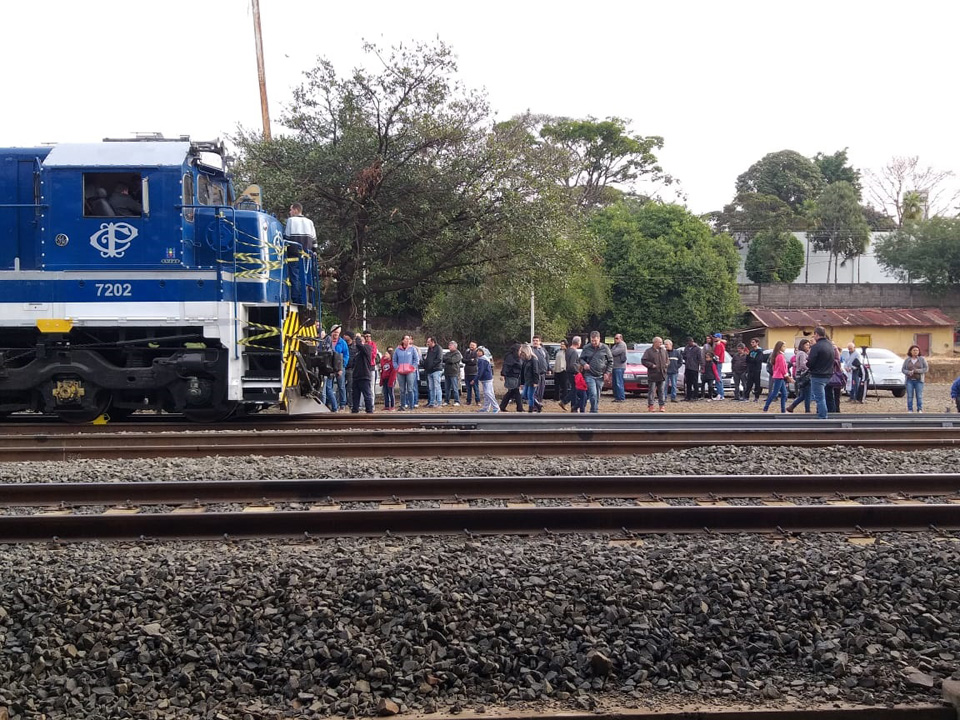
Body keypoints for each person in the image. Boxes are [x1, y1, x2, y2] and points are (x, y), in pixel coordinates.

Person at [284, 203, 317, 305]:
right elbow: (315, 241)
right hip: (307, 256)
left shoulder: (291, 221)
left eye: (291, 210)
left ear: (296, 210)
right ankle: (308, 299)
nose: (289, 212)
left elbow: (286, 238)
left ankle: (296, 299)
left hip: (294, 255)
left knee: (295, 277)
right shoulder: (310, 222)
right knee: (306, 277)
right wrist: (314, 252)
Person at [579, 331, 613, 413]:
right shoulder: (586, 348)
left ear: (599, 339)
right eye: (592, 341)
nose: (594, 343)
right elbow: (580, 359)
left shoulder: (605, 348)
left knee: (597, 395)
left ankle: (594, 410)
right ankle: (594, 412)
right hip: (589, 375)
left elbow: (610, 361)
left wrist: (607, 372)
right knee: (593, 394)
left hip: (600, 375)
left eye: (595, 341)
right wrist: (584, 364)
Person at [807, 327, 835, 419]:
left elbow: (811, 362)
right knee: (825, 397)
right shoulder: (830, 345)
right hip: (828, 374)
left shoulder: (816, 347)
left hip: (818, 375)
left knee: (820, 398)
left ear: (816, 334)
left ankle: (823, 417)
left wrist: (808, 364)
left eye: (814, 334)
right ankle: (823, 414)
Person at [323, 325, 349, 412]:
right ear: (331, 332)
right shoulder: (327, 340)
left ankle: (342, 404)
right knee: (328, 387)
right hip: (329, 367)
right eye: (334, 332)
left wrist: (341, 367)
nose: (335, 334)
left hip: (340, 367)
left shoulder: (342, 343)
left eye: (337, 332)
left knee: (341, 386)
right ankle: (332, 404)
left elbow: (346, 355)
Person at [392, 336, 421, 411]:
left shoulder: (412, 349)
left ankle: (411, 406)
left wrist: (413, 367)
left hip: (410, 372)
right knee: (402, 390)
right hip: (400, 372)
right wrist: (397, 368)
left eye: (409, 339)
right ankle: (402, 405)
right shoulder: (397, 349)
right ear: (402, 340)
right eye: (406, 339)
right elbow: (394, 360)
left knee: (410, 389)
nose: (408, 340)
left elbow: (416, 359)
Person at [642, 336, 669, 412]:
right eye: (659, 342)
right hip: (653, 374)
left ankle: (662, 405)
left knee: (661, 391)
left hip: (662, 374)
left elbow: (667, 359)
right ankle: (651, 405)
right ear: (654, 342)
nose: (661, 343)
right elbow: (644, 361)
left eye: (661, 342)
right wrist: (651, 365)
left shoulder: (663, 351)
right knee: (652, 391)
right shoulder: (648, 351)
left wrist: (666, 364)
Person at [350, 333, 374, 413]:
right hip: (356, 376)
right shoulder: (356, 352)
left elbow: (360, 346)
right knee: (355, 395)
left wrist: (357, 338)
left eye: (360, 340)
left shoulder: (367, 348)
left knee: (367, 394)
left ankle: (369, 410)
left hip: (364, 375)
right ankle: (355, 410)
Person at [762, 340, 789, 413]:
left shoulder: (777, 355)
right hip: (779, 376)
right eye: (783, 346)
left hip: (779, 376)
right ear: (779, 347)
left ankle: (783, 409)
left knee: (784, 393)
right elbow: (782, 367)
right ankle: (766, 407)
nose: (785, 348)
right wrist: (787, 376)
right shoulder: (780, 356)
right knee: (775, 393)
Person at [786, 339, 811, 414]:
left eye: (808, 345)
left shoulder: (800, 353)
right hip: (804, 375)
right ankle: (807, 410)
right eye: (806, 345)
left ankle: (792, 407)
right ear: (802, 345)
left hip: (800, 375)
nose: (808, 346)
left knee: (803, 394)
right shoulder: (802, 353)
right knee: (807, 393)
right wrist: (809, 368)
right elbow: (803, 364)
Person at [902, 344, 928, 413]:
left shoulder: (922, 359)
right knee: (910, 396)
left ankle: (919, 409)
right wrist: (908, 372)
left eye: (917, 350)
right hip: (909, 380)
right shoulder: (907, 360)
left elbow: (926, 369)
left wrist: (917, 371)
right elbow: (903, 369)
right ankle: (910, 409)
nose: (915, 352)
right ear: (910, 351)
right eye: (914, 350)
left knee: (919, 395)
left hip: (919, 380)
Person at [499, 342, 524, 412]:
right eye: (520, 349)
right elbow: (506, 366)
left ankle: (502, 406)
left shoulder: (518, 357)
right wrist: (503, 374)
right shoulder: (510, 357)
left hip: (516, 377)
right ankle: (520, 408)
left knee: (511, 392)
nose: (521, 351)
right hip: (511, 376)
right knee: (516, 392)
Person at [421, 337, 443, 408]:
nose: (427, 343)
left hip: (436, 370)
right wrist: (425, 365)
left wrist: (431, 365)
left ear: (433, 341)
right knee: (431, 387)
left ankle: (439, 402)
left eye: (428, 342)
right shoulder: (429, 349)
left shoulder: (438, 348)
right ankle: (432, 402)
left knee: (437, 386)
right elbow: (427, 359)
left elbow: (439, 359)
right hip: (429, 371)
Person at [561, 336, 581, 411]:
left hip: (568, 372)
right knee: (575, 389)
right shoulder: (574, 352)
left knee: (574, 389)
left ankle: (573, 406)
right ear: (578, 343)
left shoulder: (568, 350)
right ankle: (564, 401)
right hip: (573, 372)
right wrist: (578, 371)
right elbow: (573, 364)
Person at [476, 348, 499, 413]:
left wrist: (476, 379)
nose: (478, 352)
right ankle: (486, 408)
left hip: (486, 378)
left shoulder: (482, 360)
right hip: (486, 378)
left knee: (488, 393)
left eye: (480, 351)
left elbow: (481, 371)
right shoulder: (484, 359)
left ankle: (496, 406)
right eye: (477, 351)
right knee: (486, 394)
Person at [520, 343, 540, 413]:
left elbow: (536, 371)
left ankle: (530, 409)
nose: (522, 354)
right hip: (527, 380)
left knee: (530, 396)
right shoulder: (525, 360)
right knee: (524, 395)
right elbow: (522, 372)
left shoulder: (534, 360)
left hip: (532, 380)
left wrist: (535, 382)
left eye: (523, 352)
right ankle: (538, 405)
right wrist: (522, 382)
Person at [442, 341, 463, 406]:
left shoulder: (457, 354)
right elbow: (443, 359)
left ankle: (457, 401)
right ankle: (446, 401)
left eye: (450, 345)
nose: (449, 347)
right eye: (449, 345)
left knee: (455, 388)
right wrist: (448, 359)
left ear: (454, 346)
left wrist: (448, 359)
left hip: (454, 373)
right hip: (447, 372)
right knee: (447, 388)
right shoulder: (447, 353)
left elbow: (452, 360)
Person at [531, 335, 548, 411]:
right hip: (535, 374)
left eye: (537, 341)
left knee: (541, 390)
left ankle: (539, 403)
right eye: (534, 340)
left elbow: (546, 359)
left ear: (540, 342)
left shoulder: (543, 350)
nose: (535, 342)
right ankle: (534, 406)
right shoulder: (531, 350)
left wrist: (548, 368)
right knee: (535, 391)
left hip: (543, 373)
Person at [744, 338, 765, 402]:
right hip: (750, 369)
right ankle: (746, 397)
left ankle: (756, 397)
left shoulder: (760, 351)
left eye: (753, 342)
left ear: (757, 343)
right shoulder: (751, 351)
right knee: (749, 384)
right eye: (751, 342)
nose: (752, 344)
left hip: (757, 370)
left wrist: (751, 359)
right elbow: (747, 360)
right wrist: (749, 357)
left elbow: (757, 360)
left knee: (757, 384)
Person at [682, 338, 702, 402]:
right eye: (689, 342)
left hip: (694, 368)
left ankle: (695, 396)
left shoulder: (697, 349)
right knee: (688, 383)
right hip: (687, 367)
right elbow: (684, 355)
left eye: (691, 341)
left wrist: (699, 365)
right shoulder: (686, 348)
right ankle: (688, 396)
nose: (690, 343)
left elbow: (700, 358)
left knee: (695, 382)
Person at [610, 333, 628, 403]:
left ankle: (621, 397)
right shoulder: (615, 346)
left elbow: (614, 353)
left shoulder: (622, 345)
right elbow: (611, 352)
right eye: (615, 338)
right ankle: (617, 397)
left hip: (620, 367)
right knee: (615, 383)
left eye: (617, 338)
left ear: (621, 338)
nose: (615, 339)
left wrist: (610, 352)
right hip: (615, 366)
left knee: (619, 382)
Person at [379, 345, 397, 410]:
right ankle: (386, 405)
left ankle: (392, 406)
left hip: (391, 379)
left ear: (390, 355)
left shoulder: (392, 362)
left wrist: (391, 381)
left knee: (391, 392)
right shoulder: (383, 361)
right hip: (385, 378)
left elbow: (393, 372)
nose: (385, 355)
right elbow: (382, 370)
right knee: (385, 392)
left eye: (387, 354)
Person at [462, 341, 480, 405]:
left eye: (473, 345)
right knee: (468, 388)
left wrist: (468, 361)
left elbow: (474, 362)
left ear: (476, 346)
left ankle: (478, 401)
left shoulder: (477, 353)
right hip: (467, 372)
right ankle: (468, 401)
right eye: (471, 345)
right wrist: (470, 360)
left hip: (474, 373)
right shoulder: (467, 352)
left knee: (475, 388)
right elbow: (463, 360)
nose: (471, 346)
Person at [554, 340, 569, 408]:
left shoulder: (567, 352)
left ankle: (564, 398)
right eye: (561, 344)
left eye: (563, 344)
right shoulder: (559, 351)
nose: (562, 345)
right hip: (557, 370)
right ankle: (557, 397)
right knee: (557, 385)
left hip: (564, 370)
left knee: (564, 385)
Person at [712, 333, 727, 399]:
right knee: (718, 377)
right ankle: (721, 394)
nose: (715, 338)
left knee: (718, 378)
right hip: (719, 362)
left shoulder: (719, 345)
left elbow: (717, 355)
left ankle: (720, 394)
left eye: (716, 337)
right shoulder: (722, 344)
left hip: (718, 362)